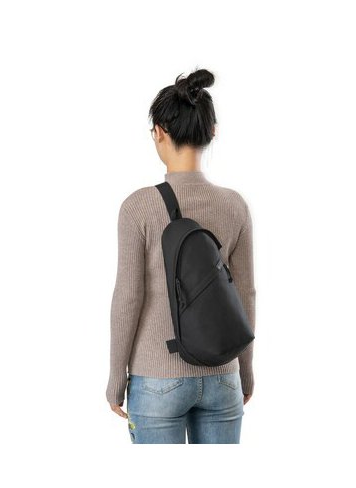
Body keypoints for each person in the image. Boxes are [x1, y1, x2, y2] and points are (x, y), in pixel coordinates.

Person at [105, 68, 256, 444]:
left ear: (159, 131)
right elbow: (245, 294)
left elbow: (129, 298)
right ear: (212, 131)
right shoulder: (235, 205)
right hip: (223, 374)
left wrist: (116, 378)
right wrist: (245, 371)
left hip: (156, 377)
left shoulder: (138, 207)